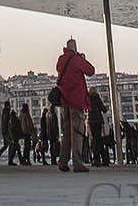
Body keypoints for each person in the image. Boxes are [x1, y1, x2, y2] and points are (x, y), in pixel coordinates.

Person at [56, 38, 94, 173]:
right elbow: (90, 70)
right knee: (77, 131)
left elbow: (59, 70)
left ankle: (63, 161)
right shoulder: (77, 60)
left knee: (66, 133)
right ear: (75, 47)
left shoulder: (61, 60)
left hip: (64, 100)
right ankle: (77, 163)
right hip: (76, 100)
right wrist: (82, 58)